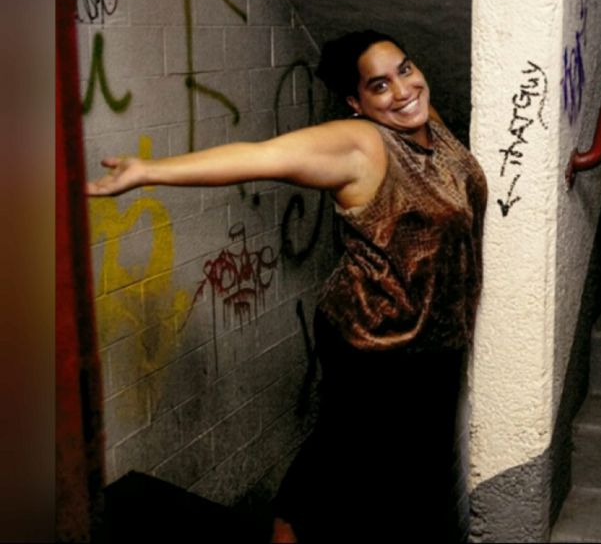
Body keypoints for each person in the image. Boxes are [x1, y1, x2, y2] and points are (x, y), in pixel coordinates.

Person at [88, 30, 488, 542]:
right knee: (352, 456)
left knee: (374, 457)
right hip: (375, 338)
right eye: (379, 85)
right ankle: (290, 527)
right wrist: (148, 171)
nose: (403, 90)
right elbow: (262, 156)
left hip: (435, 338)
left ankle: (296, 521)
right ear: (356, 103)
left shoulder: (428, 123)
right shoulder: (363, 144)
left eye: (405, 69)